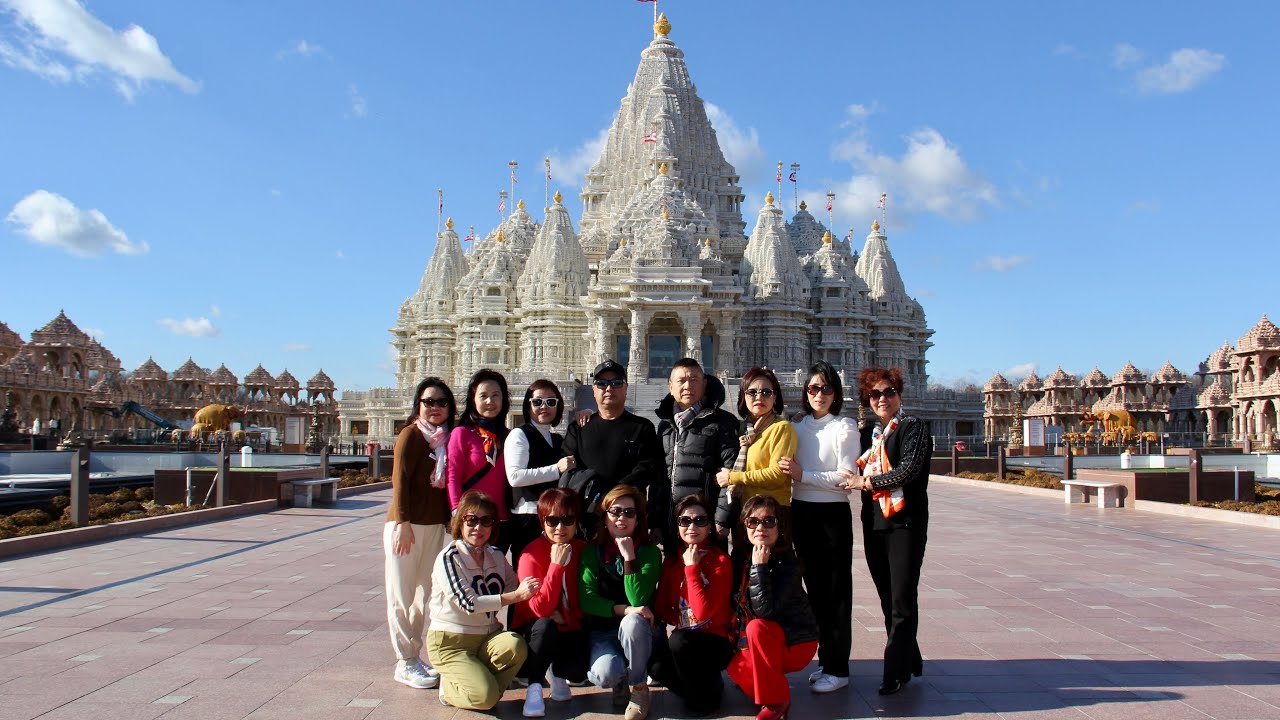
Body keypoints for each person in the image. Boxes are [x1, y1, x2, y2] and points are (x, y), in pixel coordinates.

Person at [845, 367, 931, 696]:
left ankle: (893, 670)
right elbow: (848, 461)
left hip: (905, 524)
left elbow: (908, 470)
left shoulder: (913, 428)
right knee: (887, 596)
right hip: (875, 523)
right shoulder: (870, 435)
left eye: (889, 392)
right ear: (867, 400)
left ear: (899, 395)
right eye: (875, 394)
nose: (883, 398)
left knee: (902, 596)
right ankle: (911, 659)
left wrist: (867, 482)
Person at [777, 361, 860, 693]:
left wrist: (803, 476)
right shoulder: (797, 428)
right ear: (805, 392)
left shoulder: (845, 427)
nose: (819, 395)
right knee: (814, 588)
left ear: (835, 393)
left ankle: (839, 668)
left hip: (832, 517)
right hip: (802, 513)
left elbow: (845, 477)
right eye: (813, 388)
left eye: (826, 389)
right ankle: (826, 660)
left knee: (837, 591)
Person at [426, 491, 538, 710]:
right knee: (485, 699)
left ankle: (480, 686)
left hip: (487, 639)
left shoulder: (495, 555)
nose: (478, 527)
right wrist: (515, 596)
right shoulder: (450, 557)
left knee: (516, 645)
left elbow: (513, 584)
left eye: (486, 521)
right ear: (460, 522)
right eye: (472, 520)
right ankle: (451, 689)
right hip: (451, 643)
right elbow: (469, 603)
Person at [384, 377, 455, 689]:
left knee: (424, 594)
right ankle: (405, 660)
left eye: (442, 402)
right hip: (406, 527)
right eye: (429, 402)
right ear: (419, 405)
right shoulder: (411, 436)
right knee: (402, 593)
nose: (435, 407)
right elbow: (399, 480)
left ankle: (414, 655)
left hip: (433, 527)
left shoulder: (444, 440)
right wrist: (402, 523)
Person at [728, 494, 819, 720]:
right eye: (753, 522)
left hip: (795, 642)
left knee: (757, 627)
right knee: (732, 665)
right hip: (760, 642)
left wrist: (760, 568)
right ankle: (771, 689)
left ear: (780, 528)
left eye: (769, 521)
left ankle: (777, 702)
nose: (760, 528)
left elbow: (765, 612)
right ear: (744, 526)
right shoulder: (740, 557)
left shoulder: (788, 562)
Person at [578, 485, 663, 720]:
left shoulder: (649, 553)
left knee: (633, 622)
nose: (622, 518)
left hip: (642, 633)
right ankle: (621, 679)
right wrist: (623, 609)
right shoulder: (591, 553)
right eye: (615, 511)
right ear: (605, 517)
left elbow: (638, 598)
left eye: (630, 513)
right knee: (604, 674)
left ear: (638, 519)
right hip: (604, 631)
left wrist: (629, 557)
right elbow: (587, 600)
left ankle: (638, 688)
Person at [650, 495, 734, 716]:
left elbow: (703, 612)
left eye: (700, 520)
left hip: (715, 642)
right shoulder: (672, 560)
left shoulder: (720, 561)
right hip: (686, 639)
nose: (692, 526)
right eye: (685, 521)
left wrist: (692, 569)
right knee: (656, 667)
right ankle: (705, 691)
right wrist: (677, 616)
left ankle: (703, 695)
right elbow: (661, 606)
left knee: (678, 640)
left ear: (709, 526)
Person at [561, 360, 664, 539]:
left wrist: (612, 496)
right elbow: (569, 469)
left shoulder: (642, 427)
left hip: (629, 517)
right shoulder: (579, 428)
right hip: (588, 517)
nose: (609, 388)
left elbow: (648, 468)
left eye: (616, 383)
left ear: (626, 388)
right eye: (602, 383)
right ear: (593, 390)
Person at [510, 488, 588, 717]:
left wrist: (567, 616)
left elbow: (587, 599)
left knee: (577, 672)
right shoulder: (530, 554)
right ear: (542, 522)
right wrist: (556, 566)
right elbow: (540, 609)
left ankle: (557, 670)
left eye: (567, 520)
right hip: (534, 634)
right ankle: (535, 686)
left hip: (569, 625)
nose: (560, 528)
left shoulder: (582, 550)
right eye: (552, 520)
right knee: (545, 625)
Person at [716, 367, 797, 581]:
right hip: (747, 514)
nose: (759, 397)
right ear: (743, 396)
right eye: (752, 392)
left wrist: (734, 477)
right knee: (745, 575)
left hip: (773, 516)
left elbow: (777, 474)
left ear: (775, 397)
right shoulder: (746, 430)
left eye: (766, 392)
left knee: (773, 578)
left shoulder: (782, 428)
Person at [653, 358, 740, 549]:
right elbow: (659, 478)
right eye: (681, 380)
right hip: (673, 523)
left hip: (705, 524)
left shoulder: (722, 422)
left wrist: (722, 520)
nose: (687, 386)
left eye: (694, 380)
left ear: (704, 384)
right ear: (670, 386)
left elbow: (731, 473)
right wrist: (656, 522)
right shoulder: (665, 426)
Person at [505, 380, 574, 558]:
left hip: (553, 516)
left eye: (551, 402)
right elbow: (515, 477)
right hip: (528, 515)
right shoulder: (519, 434)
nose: (544, 407)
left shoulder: (556, 438)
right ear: (528, 406)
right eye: (537, 402)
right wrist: (555, 469)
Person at [447, 369, 513, 551]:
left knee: (496, 575)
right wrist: (457, 513)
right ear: (473, 399)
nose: (490, 402)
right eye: (483, 396)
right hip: (473, 522)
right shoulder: (462, 433)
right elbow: (452, 477)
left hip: (502, 521)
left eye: (495, 395)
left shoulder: (509, 436)